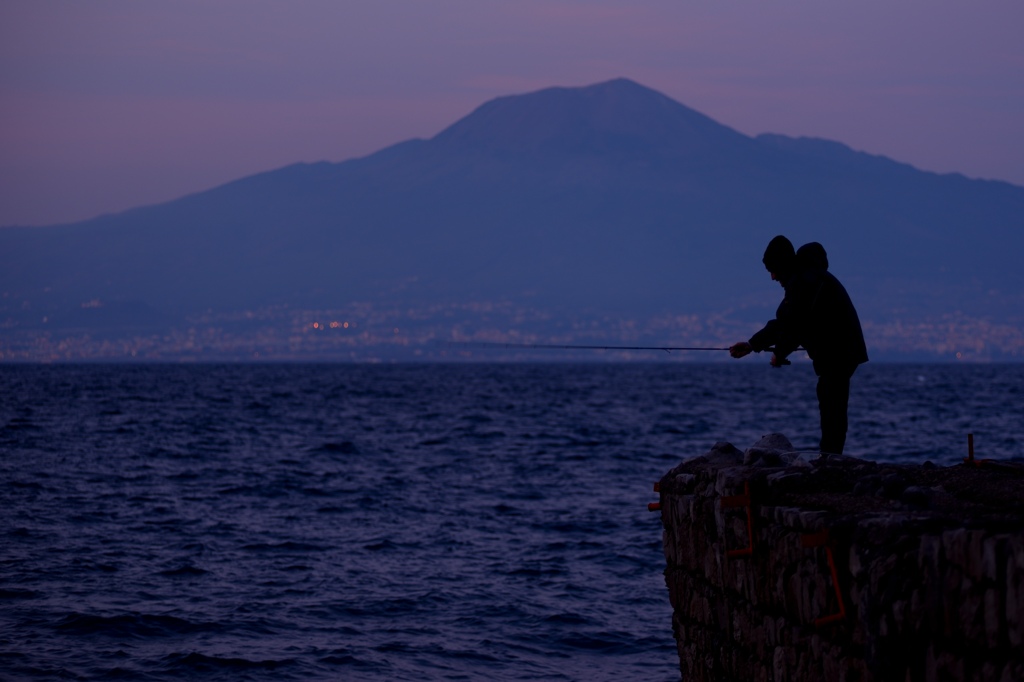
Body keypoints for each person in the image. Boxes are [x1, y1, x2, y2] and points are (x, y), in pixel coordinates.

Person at [730, 236, 868, 455]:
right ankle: (831, 456)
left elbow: (796, 326)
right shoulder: (805, 279)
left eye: (773, 270)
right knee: (831, 400)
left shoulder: (805, 282)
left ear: (783, 265)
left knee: (831, 402)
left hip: (840, 352)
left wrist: (779, 353)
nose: (773, 277)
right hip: (843, 350)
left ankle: (831, 458)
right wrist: (751, 344)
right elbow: (785, 321)